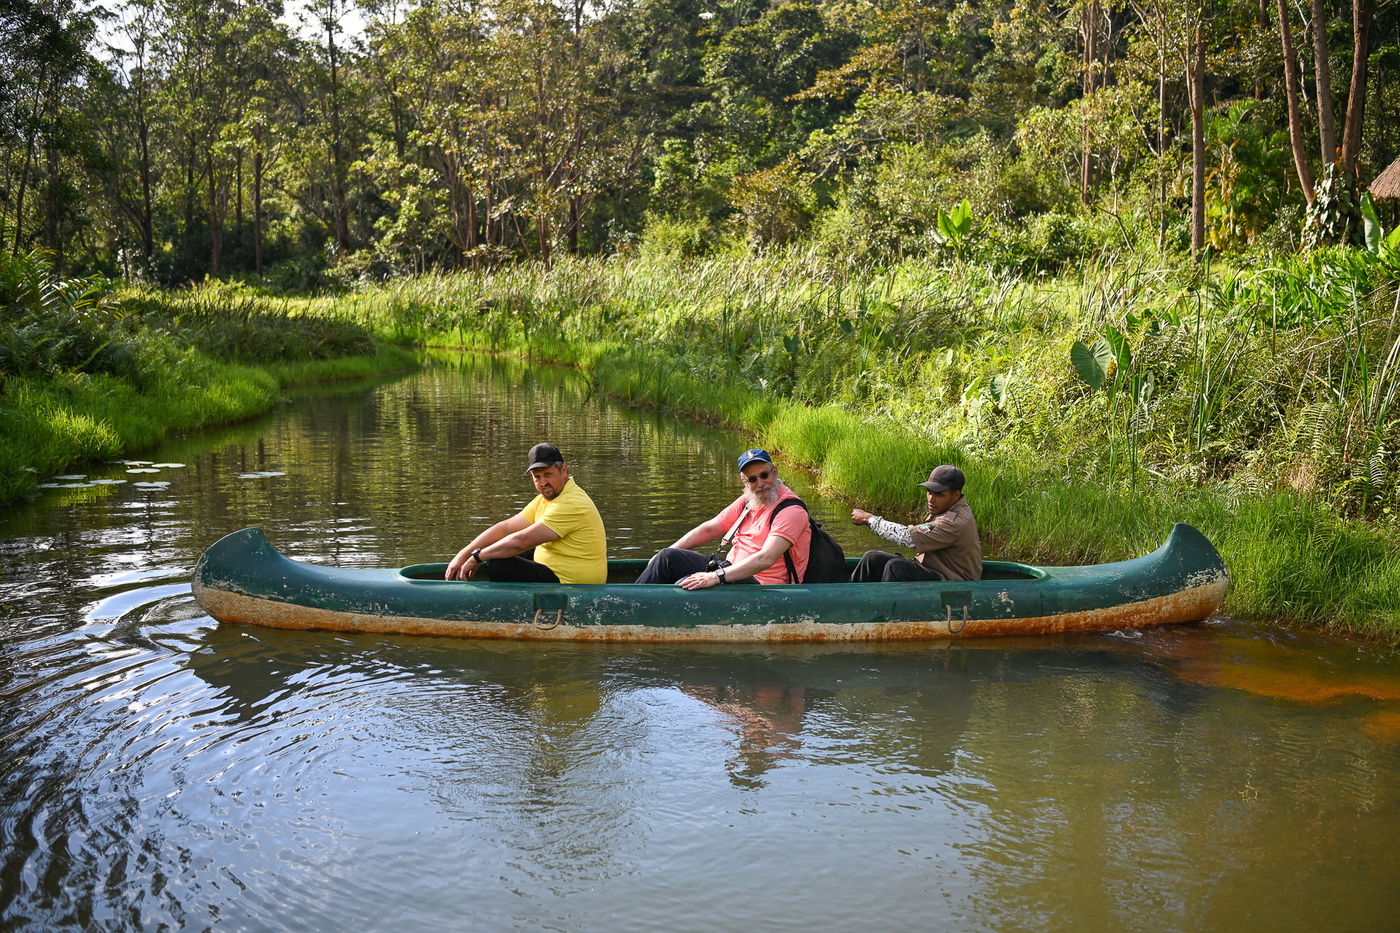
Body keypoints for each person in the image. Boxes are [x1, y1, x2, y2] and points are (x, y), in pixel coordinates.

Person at [635, 448, 812, 589]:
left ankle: (633, 613)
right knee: (666, 557)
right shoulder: (748, 501)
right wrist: (657, 557)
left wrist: (715, 577)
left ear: (775, 472)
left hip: (763, 587)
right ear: (744, 481)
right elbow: (710, 528)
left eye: (764, 475)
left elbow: (765, 558)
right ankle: (628, 604)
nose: (760, 483)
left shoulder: (791, 510)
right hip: (730, 571)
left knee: (685, 583)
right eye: (752, 479)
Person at [445, 442, 607, 584]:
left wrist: (478, 557)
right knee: (501, 547)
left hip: (573, 585)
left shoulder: (571, 502)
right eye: (537, 477)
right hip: (556, 571)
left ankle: (506, 609)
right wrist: (462, 554)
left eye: (548, 475)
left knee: (498, 559)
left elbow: (520, 541)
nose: (543, 483)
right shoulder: (547, 499)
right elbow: (505, 528)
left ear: (563, 471)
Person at [849, 464, 982, 583]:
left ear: (956, 495)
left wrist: (869, 519)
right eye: (929, 492)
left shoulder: (954, 522)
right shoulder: (947, 508)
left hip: (953, 585)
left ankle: (886, 610)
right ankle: (849, 600)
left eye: (939, 494)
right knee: (872, 558)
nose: (931, 499)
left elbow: (907, 537)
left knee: (896, 568)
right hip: (932, 570)